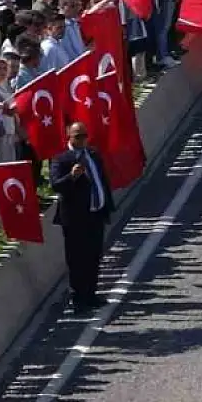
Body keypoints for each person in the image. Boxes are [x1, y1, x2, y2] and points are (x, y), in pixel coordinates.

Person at [51, 122, 114, 315]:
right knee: (77, 258)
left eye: (84, 135)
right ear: (69, 137)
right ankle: (77, 297)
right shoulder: (61, 159)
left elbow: (101, 180)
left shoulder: (93, 155)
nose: (82, 140)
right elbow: (56, 185)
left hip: (96, 213)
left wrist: (107, 205)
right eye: (77, 136)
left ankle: (91, 294)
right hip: (75, 219)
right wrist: (72, 176)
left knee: (94, 256)